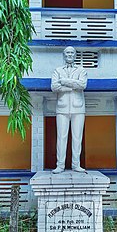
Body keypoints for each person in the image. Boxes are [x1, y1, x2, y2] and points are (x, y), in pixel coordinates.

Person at [51, 46, 87, 174]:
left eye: (72, 52)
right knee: (61, 137)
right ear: (64, 55)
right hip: (62, 107)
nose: (70, 55)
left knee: (77, 138)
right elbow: (54, 87)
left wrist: (64, 81)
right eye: (67, 53)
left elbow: (82, 85)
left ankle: (76, 165)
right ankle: (60, 165)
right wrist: (71, 86)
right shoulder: (57, 70)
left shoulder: (81, 70)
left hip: (78, 108)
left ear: (75, 55)